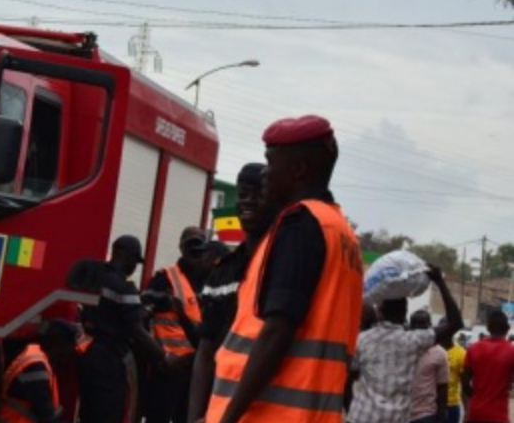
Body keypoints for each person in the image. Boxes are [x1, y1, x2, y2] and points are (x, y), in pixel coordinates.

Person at [205, 115, 364, 423]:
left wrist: (228, 417)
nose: (265, 173)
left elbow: (277, 331)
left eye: (271, 161)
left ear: (298, 169)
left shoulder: (299, 225)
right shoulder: (341, 232)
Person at [187, 163, 266, 423]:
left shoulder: (283, 265)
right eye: (243, 194)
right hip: (220, 409)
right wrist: (195, 417)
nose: (249, 201)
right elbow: (206, 350)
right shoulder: (223, 272)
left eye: (258, 194)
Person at [68, 235, 165, 423]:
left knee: (89, 411)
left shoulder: (94, 275)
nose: (134, 267)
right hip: (110, 359)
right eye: (134, 260)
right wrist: (162, 357)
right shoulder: (125, 288)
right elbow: (137, 331)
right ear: (125, 255)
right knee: (110, 412)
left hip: (88, 353)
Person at [345, 268, 462, 423]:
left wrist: (350, 412)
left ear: (380, 312)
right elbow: (455, 323)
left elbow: (347, 381)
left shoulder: (362, 340)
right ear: (404, 313)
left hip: (362, 417)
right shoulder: (414, 341)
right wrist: (439, 282)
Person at [145, 227, 212, 423]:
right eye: (191, 246)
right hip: (169, 367)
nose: (195, 252)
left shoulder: (207, 280)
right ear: (181, 248)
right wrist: (159, 356)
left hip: (194, 367)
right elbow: (143, 316)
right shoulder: (165, 278)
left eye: (199, 248)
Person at [1, 319, 81, 423]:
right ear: (58, 344)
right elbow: (46, 414)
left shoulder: (34, 355)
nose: (70, 354)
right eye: (70, 347)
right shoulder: (36, 366)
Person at [462, 311, 514, 423]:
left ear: (488, 328)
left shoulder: (473, 349)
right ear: (507, 328)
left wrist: (476, 396)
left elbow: (465, 384)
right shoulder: (511, 351)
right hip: (498, 416)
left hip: (475, 413)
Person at [407, 311, 449, 423]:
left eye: (422, 325)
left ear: (430, 327)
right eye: (415, 325)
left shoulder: (440, 353)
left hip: (425, 414)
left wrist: (442, 413)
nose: (418, 330)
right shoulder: (402, 349)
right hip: (401, 413)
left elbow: (442, 386)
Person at [440, 323, 465, 423]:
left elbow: (464, 382)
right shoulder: (430, 350)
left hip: (452, 404)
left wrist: (467, 409)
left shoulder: (461, 353)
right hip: (432, 405)